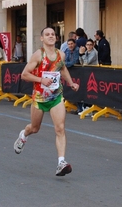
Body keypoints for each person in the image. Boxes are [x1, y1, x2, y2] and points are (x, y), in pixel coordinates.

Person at [13, 27, 79, 177]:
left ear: (56, 38)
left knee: (60, 128)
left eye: (53, 34)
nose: (51, 36)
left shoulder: (60, 54)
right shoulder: (38, 55)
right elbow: (24, 74)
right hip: (39, 98)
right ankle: (24, 134)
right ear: (42, 38)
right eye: (47, 34)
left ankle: (61, 162)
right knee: (35, 128)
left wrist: (71, 83)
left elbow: (62, 70)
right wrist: (41, 79)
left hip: (56, 97)